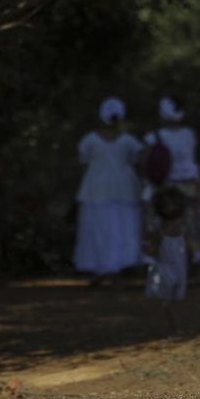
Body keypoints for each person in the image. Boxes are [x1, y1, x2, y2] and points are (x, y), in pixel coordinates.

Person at [74, 97, 145, 286]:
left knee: (101, 230)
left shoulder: (90, 140)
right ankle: (108, 270)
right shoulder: (127, 141)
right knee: (119, 230)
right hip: (119, 189)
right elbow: (138, 160)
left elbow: (82, 163)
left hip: (99, 189)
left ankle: (108, 270)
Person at [144, 96, 200, 283]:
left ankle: (157, 273)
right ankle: (199, 273)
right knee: (195, 228)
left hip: (166, 189)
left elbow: (146, 164)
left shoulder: (153, 137)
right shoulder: (189, 134)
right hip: (191, 187)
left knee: (159, 228)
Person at [143, 187, 190, 334]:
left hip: (174, 267)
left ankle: (173, 324)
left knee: (172, 298)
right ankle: (172, 326)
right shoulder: (164, 231)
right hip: (168, 268)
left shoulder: (176, 230)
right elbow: (153, 249)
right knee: (168, 299)